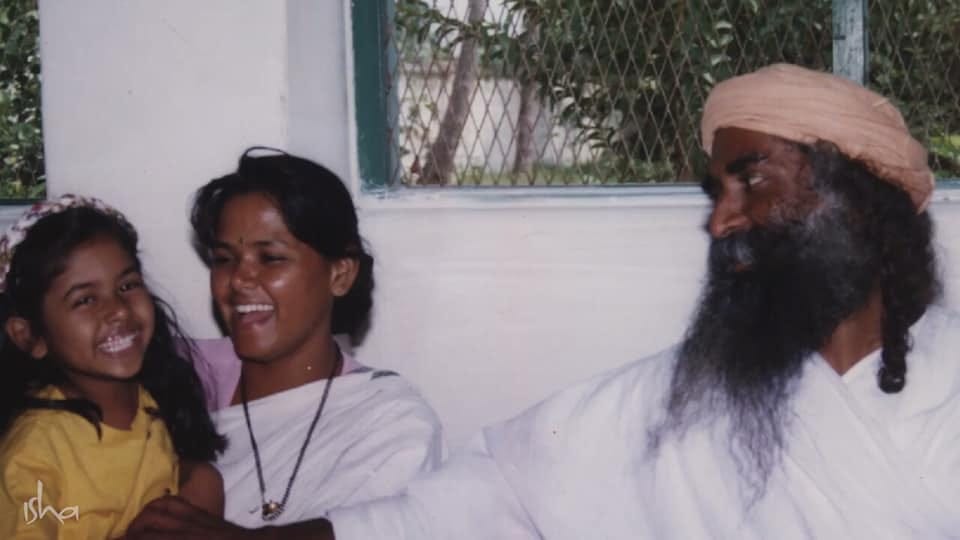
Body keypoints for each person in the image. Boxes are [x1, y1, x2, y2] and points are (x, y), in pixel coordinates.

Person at [126, 64, 960, 539]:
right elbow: (472, 499)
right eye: (718, 191)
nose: (720, 221)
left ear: (856, 199)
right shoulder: (681, 395)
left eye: (752, 182)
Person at [182, 149, 443, 527]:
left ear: (340, 274)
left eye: (270, 258)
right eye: (224, 259)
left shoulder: (387, 421)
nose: (238, 279)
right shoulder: (176, 377)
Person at [0, 195, 226, 539]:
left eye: (127, 285)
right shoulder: (34, 452)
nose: (118, 309)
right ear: (30, 336)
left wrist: (200, 482)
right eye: (85, 300)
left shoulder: (152, 402)